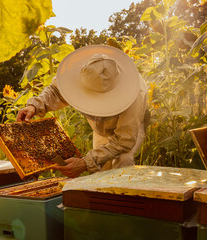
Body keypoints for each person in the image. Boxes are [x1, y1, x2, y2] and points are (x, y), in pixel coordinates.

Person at [16, 45, 148, 178]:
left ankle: (123, 196)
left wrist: (85, 163)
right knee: (102, 172)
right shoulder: (86, 71)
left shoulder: (135, 95)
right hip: (101, 128)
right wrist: (35, 105)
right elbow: (56, 91)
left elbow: (123, 141)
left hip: (129, 129)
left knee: (123, 161)